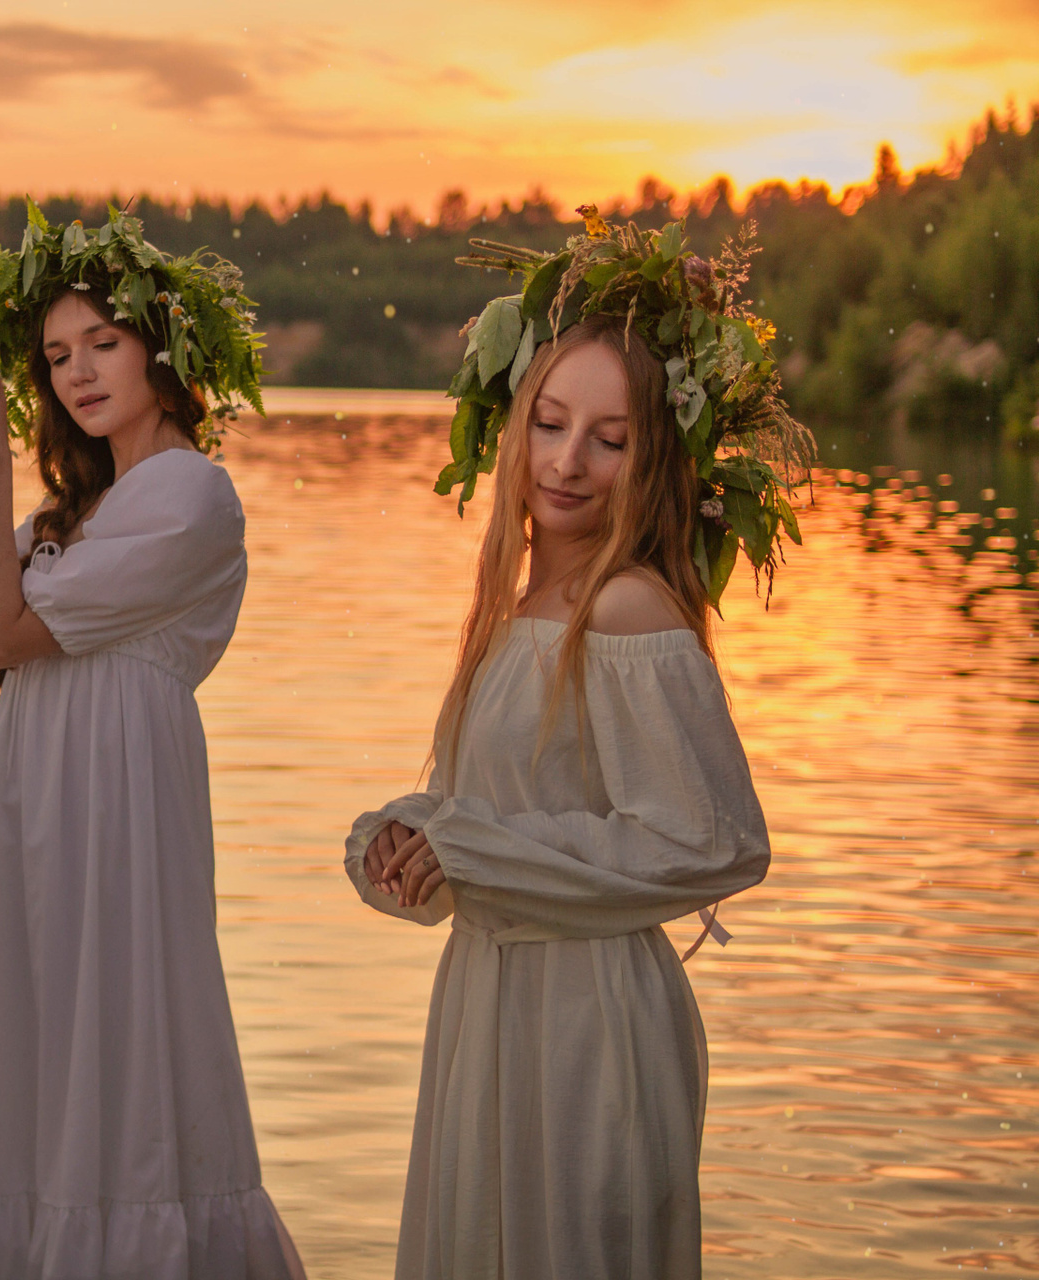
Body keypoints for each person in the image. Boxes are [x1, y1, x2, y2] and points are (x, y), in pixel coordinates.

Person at [344, 214, 811, 1277]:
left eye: (610, 437)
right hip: (488, 1002)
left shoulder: (628, 608)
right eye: (551, 423)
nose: (567, 461)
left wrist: (475, 847)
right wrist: (410, 841)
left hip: (585, 1019)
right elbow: (488, 810)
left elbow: (712, 842)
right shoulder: (513, 610)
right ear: (514, 426)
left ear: (654, 456)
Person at [0, 204, 304, 1280]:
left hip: (119, 811)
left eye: (104, 343)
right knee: (37, 1039)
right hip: (37, 805)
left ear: (163, 352)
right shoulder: (79, 508)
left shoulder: (189, 493)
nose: (76, 372)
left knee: (124, 1040)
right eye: (55, 355)